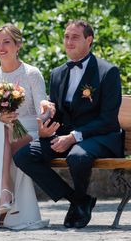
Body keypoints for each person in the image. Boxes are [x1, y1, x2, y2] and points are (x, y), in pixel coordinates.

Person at [14, 19, 123, 229]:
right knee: (24, 155)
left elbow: (108, 120)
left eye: (75, 37)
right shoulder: (57, 73)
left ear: (88, 40)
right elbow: (57, 115)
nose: (69, 41)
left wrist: (74, 137)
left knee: (77, 156)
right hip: (65, 136)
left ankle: (79, 203)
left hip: (100, 137)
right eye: (66, 37)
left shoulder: (108, 72)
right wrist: (45, 130)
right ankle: (78, 200)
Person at [0, 23, 49, 230]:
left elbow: (42, 107)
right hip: (1, 129)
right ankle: (6, 194)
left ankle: (5, 195)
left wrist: (45, 111)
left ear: (18, 45)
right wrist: (1, 119)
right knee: (0, 129)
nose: (1, 47)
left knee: (1, 135)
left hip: (29, 132)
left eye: (7, 42)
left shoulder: (32, 73)